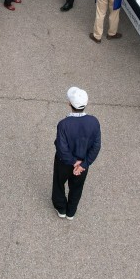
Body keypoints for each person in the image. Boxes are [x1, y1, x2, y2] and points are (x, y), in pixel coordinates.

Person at [52, 86, 102, 220]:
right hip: (83, 162)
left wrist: (73, 162)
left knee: (58, 183)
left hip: (64, 162)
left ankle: (61, 208)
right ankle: (71, 211)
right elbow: (96, 146)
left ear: (69, 104)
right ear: (86, 103)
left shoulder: (63, 124)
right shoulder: (94, 122)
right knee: (77, 187)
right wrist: (82, 165)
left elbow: (62, 148)